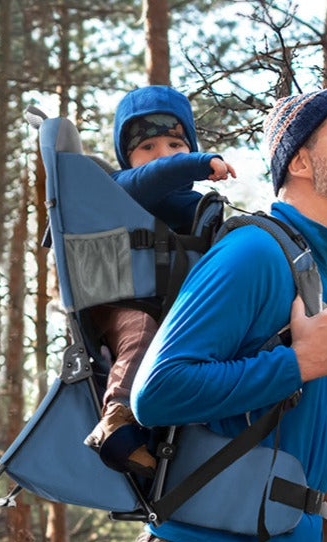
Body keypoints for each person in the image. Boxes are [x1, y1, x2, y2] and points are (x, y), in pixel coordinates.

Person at [116, 86, 327, 542]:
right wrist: (298, 363)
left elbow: (306, 443)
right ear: (299, 162)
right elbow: (156, 392)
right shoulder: (254, 252)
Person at [84, 85, 236, 477]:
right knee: (140, 333)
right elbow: (151, 179)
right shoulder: (122, 188)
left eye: (174, 144)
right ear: (128, 157)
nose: (163, 155)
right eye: (147, 147)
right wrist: (196, 162)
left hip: (176, 309)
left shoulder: (199, 207)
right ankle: (116, 419)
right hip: (120, 301)